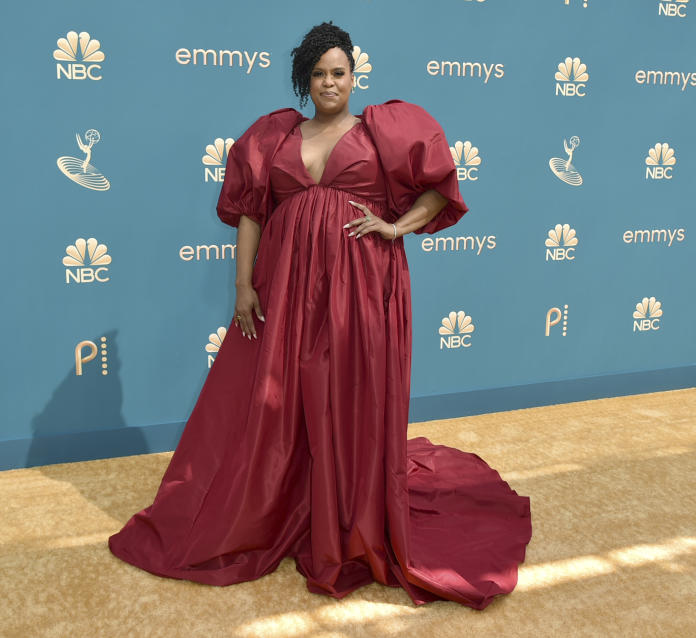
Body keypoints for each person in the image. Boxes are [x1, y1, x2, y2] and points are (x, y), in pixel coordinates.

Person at [109, 22, 532, 609]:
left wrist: (395, 227)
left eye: (339, 72)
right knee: (275, 404)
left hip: (361, 290)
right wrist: (242, 286)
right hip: (284, 289)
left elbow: (439, 190)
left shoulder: (383, 129)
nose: (330, 82)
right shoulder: (275, 135)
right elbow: (253, 214)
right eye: (319, 73)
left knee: (348, 396)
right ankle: (279, 507)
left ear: (354, 76)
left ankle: (348, 519)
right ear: (303, 79)